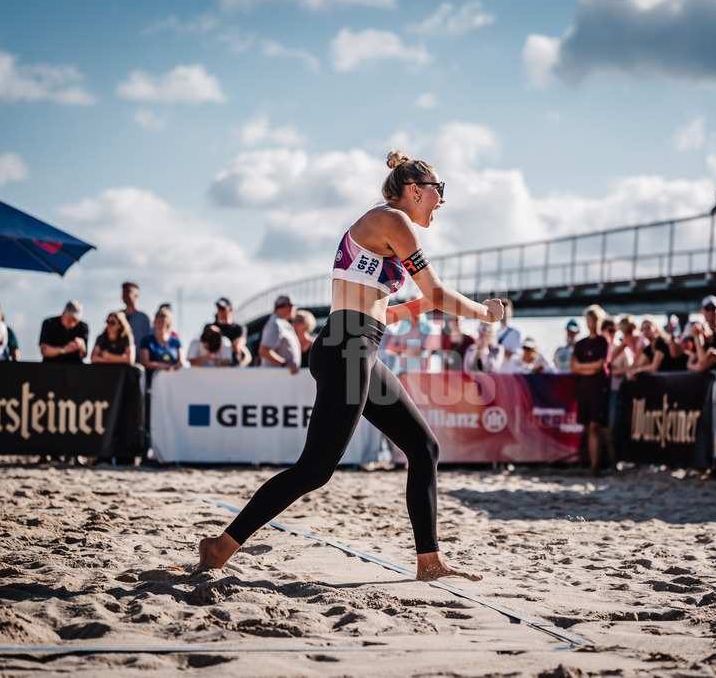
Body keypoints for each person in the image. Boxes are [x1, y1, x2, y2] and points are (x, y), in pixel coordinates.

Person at [199, 150, 504, 581]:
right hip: (347, 346)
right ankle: (220, 546)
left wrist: (412, 308)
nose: (442, 200)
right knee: (315, 469)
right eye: (440, 190)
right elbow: (436, 294)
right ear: (416, 190)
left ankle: (430, 563)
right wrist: (486, 313)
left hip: (356, 344)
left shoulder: (385, 227)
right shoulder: (392, 220)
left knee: (424, 448)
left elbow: (381, 310)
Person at [571, 305, 610, 477]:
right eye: (589, 321)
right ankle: (591, 463)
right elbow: (574, 367)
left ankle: (596, 466)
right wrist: (589, 368)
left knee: (595, 426)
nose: (592, 324)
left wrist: (583, 368)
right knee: (587, 428)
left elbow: (600, 366)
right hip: (584, 390)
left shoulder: (603, 341)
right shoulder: (581, 343)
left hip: (598, 390)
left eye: (595, 321)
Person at [258, 294, 302, 374]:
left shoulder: (282, 323)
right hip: (275, 380)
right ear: (288, 307)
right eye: (293, 307)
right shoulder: (274, 324)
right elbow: (264, 351)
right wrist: (285, 364)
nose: (295, 310)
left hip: (281, 380)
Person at [208, 297, 251, 367]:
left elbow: (237, 347)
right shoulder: (210, 327)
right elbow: (205, 348)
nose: (220, 311)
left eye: (222, 308)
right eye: (218, 308)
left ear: (230, 309)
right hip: (214, 369)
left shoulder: (239, 328)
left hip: (233, 369)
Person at [139, 305, 184, 372]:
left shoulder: (176, 341)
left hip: (173, 377)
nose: (161, 319)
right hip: (153, 377)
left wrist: (175, 366)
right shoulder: (147, 340)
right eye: (158, 316)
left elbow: (181, 361)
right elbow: (145, 362)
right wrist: (161, 366)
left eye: (163, 316)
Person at [121, 282, 151, 351]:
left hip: (139, 359)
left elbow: (149, 340)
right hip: (119, 358)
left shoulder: (144, 318)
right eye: (123, 292)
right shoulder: (117, 316)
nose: (125, 294)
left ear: (136, 294)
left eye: (128, 291)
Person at [494, 299, 521, 370]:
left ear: (511, 313)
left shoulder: (515, 333)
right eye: (501, 311)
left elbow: (517, 357)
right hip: (496, 375)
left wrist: (498, 348)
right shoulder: (493, 333)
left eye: (505, 311)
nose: (503, 314)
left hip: (509, 375)